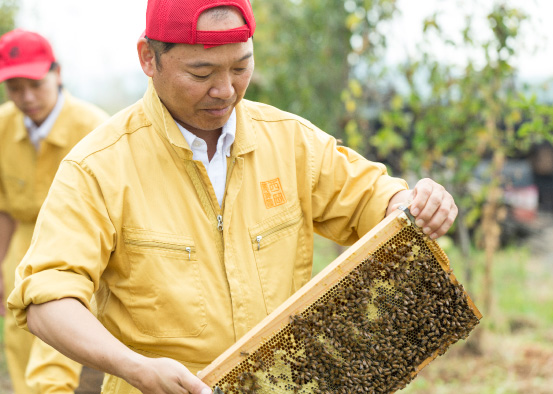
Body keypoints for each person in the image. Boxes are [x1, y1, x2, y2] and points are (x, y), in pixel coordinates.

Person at [7, 1, 458, 393]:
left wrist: (411, 205)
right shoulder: (99, 165)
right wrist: (137, 369)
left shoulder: (291, 142)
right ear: (149, 57)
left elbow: (371, 197)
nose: (225, 90)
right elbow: (48, 300)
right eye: (201, 73)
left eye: (240, 67)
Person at [0, 29, 108, 394]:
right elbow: (3, 211)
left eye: (35, 84)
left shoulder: (95, 128)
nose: (26, 98)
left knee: (60, 348)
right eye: (14, 88)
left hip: (81, 256)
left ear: (57, 73)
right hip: (21, 253)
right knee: (18, 344)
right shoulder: (2, 128)